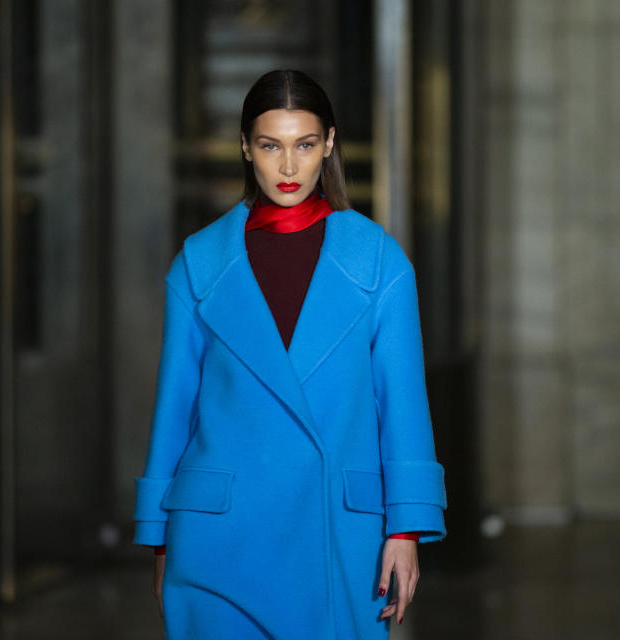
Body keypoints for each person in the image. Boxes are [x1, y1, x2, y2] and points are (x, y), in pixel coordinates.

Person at [132, 69, 447, 639]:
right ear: (245, 149)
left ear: (328, 144)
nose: (287, 166)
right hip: (217, 537)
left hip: (336, 529)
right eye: (270, 146)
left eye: (304, 145)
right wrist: (159, 538)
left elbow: (401, 404)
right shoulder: (199, 264)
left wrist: (406, 531)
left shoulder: (379, 262)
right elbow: (174, 410)